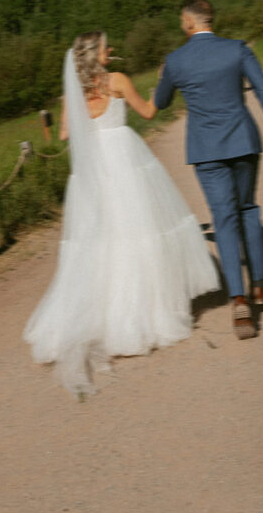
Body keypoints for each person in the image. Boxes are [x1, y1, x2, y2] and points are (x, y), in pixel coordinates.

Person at [23, 31, 219, 395]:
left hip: (94, 170)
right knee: (139, 232)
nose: (110, 50)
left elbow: (65, 136)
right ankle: (142, 316)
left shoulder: (73, 95)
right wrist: (163, 84)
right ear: (95, 53)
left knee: (103, 240)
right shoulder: (117, 81)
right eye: (105, 47)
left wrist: (87, 124)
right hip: (125, 161)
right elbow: (148, 111)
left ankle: (101, 317)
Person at [154, 0, 263, 340]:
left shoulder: (176, 60)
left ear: (188, 23)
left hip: (206, 150)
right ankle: (260, 282)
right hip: (243, 142)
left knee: (223, 219)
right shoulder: (237, 49)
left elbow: (160, 103)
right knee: (248, 208)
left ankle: (239, 298)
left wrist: (166, 78)